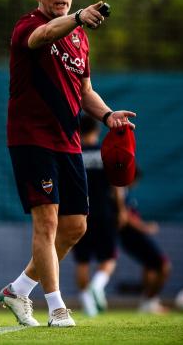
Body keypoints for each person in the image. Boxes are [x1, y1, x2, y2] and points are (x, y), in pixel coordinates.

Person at [0, 0, 136, 327]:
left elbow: (85, 91)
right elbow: (44, 35)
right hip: (32, 139)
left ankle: (19, 288)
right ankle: (57, 307)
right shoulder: (27, 26)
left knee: (75, 227)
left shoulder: (80, 39)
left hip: (68, 141)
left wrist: (108, 117)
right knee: (47, 223)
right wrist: (77, 17)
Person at [72, 115, 125, 317]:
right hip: (104, 211)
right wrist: (121, 210)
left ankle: (87, 302)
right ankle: (98, 284)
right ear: (97, 130)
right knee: (109, 256)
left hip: (79, 212)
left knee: (82, 260)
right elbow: (116, 185)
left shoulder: (74, 152)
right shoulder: (106, 152)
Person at [118, 172, 171, 314]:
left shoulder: (124, 192)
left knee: (149, 265)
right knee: (164, 266)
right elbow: (126, 217)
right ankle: (149, 300)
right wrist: (145, 227)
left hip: (128, 238)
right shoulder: (121, 191)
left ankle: (147, 302)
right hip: (133, 236)